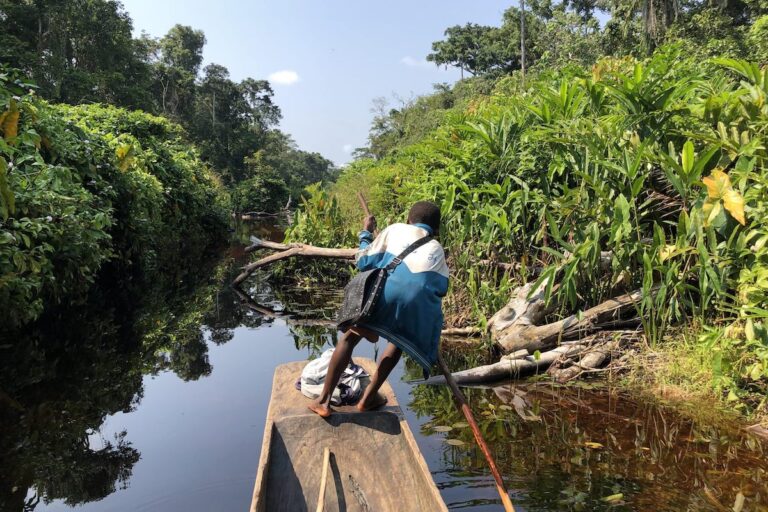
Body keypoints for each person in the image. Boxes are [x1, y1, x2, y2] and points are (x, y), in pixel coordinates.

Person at [308, 201, 449, 417]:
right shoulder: (437, 248)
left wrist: (366, 233)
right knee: (397, 343)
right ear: (436, 230)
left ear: (408, 220)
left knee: (349, 338)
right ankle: (368, 398)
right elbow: (442, 287)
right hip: (414, 308)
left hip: (383, 295)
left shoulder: (395, 229)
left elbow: (363, 261)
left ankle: (324, 402)